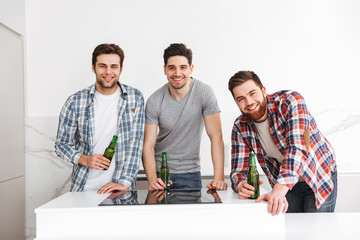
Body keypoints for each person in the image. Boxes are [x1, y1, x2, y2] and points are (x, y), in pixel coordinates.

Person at [228, 70, 337, 215]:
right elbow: (238, 171)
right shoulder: (239, 127)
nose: (249, 102)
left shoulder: (290, 101)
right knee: (291, 232)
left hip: (317, 174)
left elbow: (297, 148)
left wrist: (278, 190)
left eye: (252, 93)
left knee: (316, 232)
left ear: (263, 90)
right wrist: (241, 184)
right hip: (285, 184)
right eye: (241, 99)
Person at [55, 43, 144, 194]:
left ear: (121, 69)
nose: (108, 71)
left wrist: (125, 182)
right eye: (102, 66)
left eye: (114, 66)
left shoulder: (135, 98)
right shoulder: (75, 101)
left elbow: (135, 145)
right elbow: (61, 145)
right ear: (93, 68)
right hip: (83, 188)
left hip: (119, 189)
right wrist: (84, 159)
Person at [142, 43, 227, 191]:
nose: (177, 73)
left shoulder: (204, 93)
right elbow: (148, 145)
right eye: (172, 67)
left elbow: (216, 137)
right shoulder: (154, 100)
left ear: (191, 69)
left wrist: (218, 178)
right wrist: (152, 180)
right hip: (160, 172)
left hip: (191, 172)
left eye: (183, 67)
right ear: (165, 70)